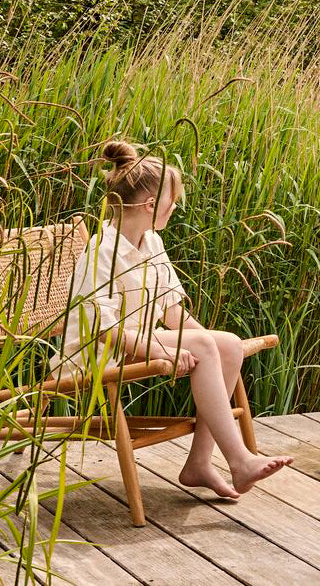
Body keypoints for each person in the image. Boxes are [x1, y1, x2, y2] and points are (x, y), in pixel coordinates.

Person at [61, 138, 292, 500]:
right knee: (204, 343)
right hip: (96, 353)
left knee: (227, 344)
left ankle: (199, 463)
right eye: (173, 203)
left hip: (136, 343)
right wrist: (164, 351)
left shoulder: (151, 242)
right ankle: (240, 460)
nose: (175, 209)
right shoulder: (101, 251)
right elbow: (104, 330)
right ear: (152, 205)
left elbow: (171, 311)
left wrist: (212, 344)